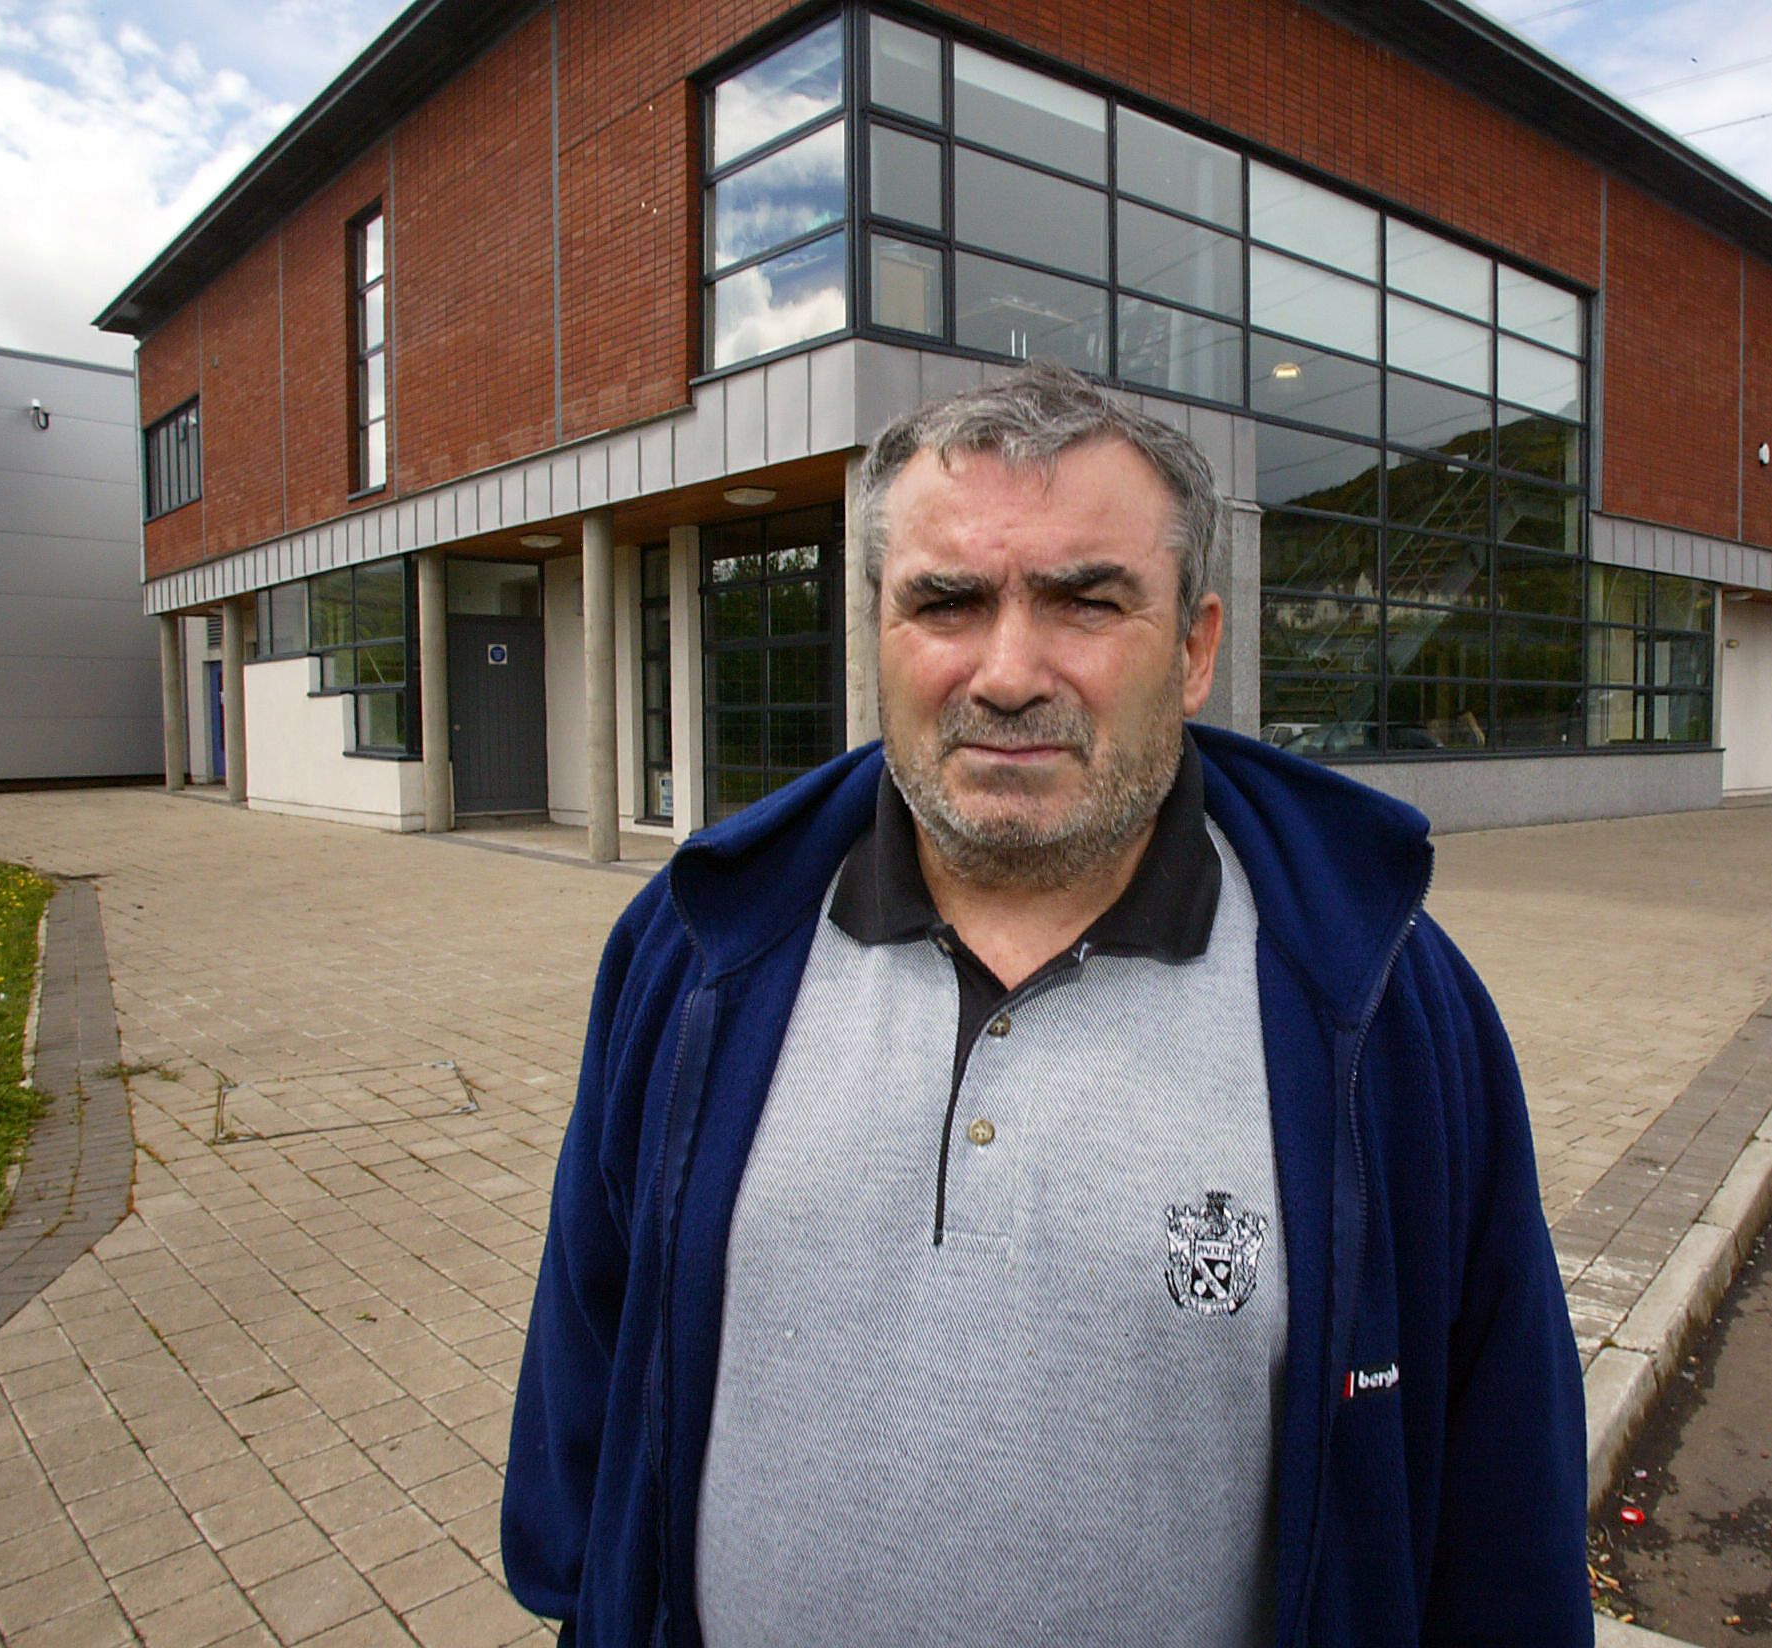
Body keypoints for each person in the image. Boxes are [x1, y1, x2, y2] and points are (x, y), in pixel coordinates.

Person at [503, 362, 1590, 1646]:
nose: (1008, 672)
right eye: (947, 602)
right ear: (879, 637)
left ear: (1193, 650)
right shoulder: (693, 954)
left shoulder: (1388, 1006)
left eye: (1084, 601)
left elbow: (1500, 1503)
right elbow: (587, 1377)